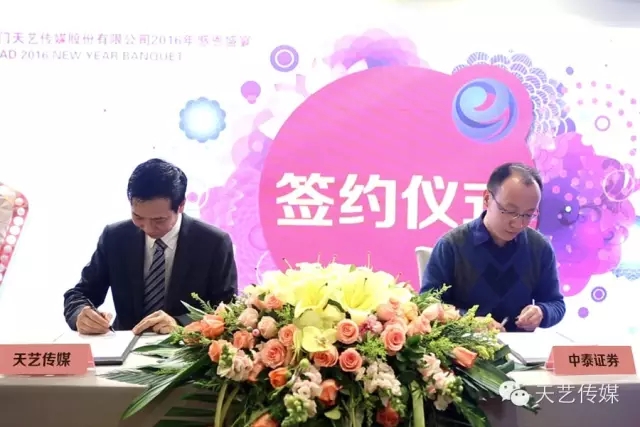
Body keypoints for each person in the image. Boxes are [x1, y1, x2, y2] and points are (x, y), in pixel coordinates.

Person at [63, 159, 238, 335]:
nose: (147, 228)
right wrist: (81, 315)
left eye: (159, 220)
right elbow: (79, 294)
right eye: (138, 217)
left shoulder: (213, 243)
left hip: (185, 346)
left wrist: (179, 323)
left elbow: (227, 311)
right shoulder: (115, 237)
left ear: (181, 205)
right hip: (125, 344)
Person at [420, 162, 565, 332]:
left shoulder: (539, 248)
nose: (518, 223)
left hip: (520, 346)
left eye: (528, 214)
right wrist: (468, 322)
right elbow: (428, 304)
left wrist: (542, 312)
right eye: (510, 211)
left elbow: (556, 303)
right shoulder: (451, 245)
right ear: (487, 199)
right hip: (464, 345)